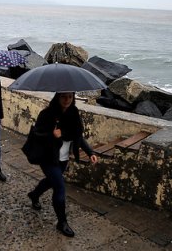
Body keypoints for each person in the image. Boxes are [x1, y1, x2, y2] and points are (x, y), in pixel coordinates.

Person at [27, 92, 98, 237]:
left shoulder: (74, 113)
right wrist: (51, 135)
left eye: (70, 97)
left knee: (50, 181)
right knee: (59, 187)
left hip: (63, 159)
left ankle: (34, 195)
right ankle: (62, 222)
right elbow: (37, 134)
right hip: (48, 158)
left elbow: (78, 135)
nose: (67, 100)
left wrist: (90, 152)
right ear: (57, 97)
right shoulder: (47, 114)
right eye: (63, 97)